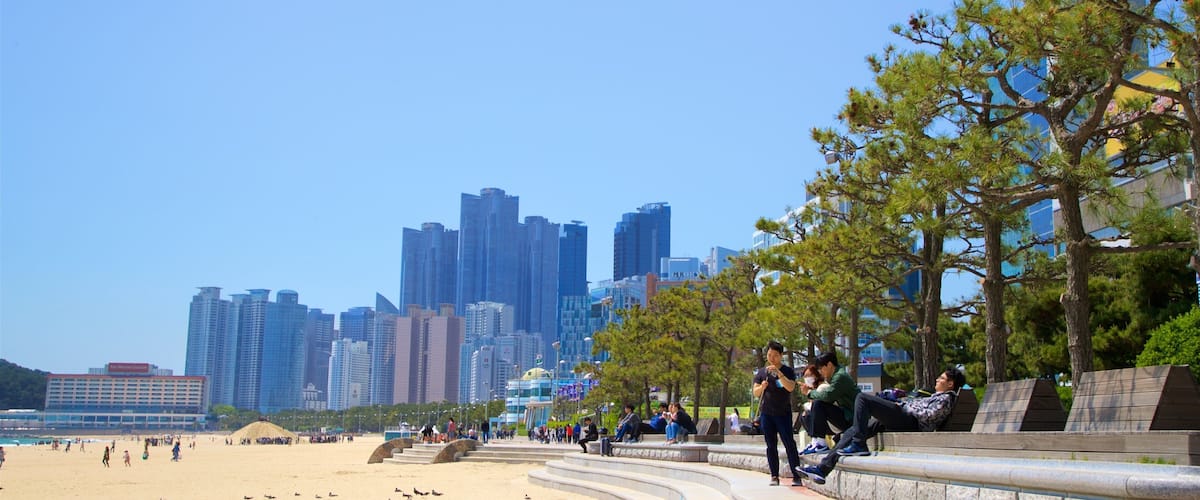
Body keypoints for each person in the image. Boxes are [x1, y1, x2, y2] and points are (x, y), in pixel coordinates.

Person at [800, 367, 967, 485]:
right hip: (904, 418)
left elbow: (928, 416)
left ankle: (858, 444)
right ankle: (823, 469)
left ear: (951, 384)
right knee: (856, 429)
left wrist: (903, 405)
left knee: (863, 398)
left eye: (942, 378)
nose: (937, 379)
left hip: (910, 422)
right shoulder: (936, 395)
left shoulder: (946, 398)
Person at [753, 340, 803, 487]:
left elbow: (790, 387)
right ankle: (774, 476)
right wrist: (762, 387)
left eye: (775, 355)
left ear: (781, 356)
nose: (772, 358)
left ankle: (796, 475)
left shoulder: (787, 371)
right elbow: (755, 392)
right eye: (769, 354)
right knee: (771, 445)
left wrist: (779, 374)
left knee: (789, 443)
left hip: (783, 413)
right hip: (767, 414)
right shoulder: (762, 372)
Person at [798, 352, 860, 455]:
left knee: (818, 404)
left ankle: (821, 443)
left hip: (851, 418)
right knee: (811, 411)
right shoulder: (836, 376)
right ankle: (816, 441)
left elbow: (828, 396)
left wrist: (809, 393)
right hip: (847, 415)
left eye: (821, 368)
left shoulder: (840, 377)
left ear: (830, 365)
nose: (820, 372)